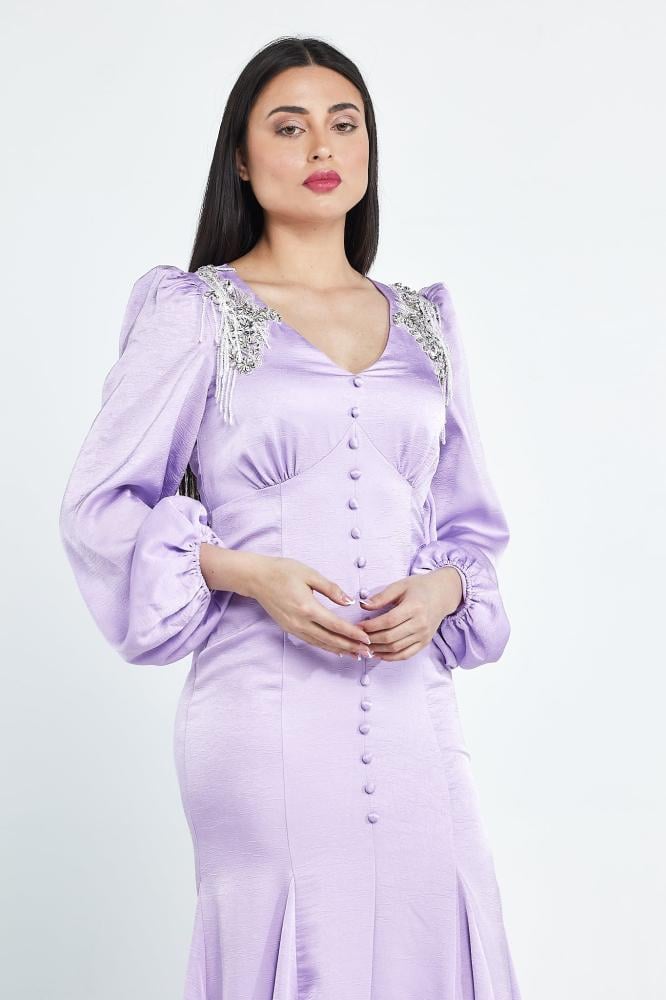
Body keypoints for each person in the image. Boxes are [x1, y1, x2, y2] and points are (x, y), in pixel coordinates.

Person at [59, 35, 521, 1000]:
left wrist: (443, 589)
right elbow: (99, 506)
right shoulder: (195, 312)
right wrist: (244, 571)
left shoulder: (426, 322)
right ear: (240, 155)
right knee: (292, 939)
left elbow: (470, 529)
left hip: (415, 711)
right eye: (289, 124)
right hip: (260, 710)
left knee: (443, 916)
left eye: (344, 123)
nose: (322, 145)